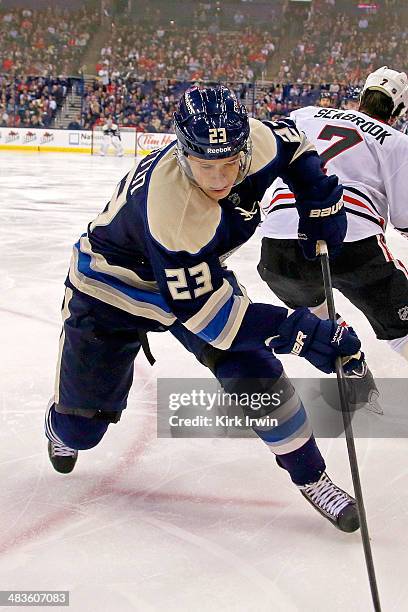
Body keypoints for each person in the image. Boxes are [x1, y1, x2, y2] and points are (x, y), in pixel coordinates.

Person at [45, 85, 363, 532]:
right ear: (181, 152)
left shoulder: (254, 141)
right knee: (81, 432)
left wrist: (320, 198)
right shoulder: (174, 210)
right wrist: (299, 330)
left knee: (254, 370)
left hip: (194, 274)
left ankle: (312, 475)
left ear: (243, 146)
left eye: (230, 162)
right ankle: (61, 425)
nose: (220, 179)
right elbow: (214, 321)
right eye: (206, 166)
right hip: (111, 289)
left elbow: (296, 145)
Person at [258, 66, 408, 366]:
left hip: (278, 246)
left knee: (319, 318)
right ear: (399, 110)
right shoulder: (395, 141)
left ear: (363, 95)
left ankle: (348, 358)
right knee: (402, 328)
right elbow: (404, 221)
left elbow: (266, 150)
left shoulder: (304, 114)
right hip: (352, 241)